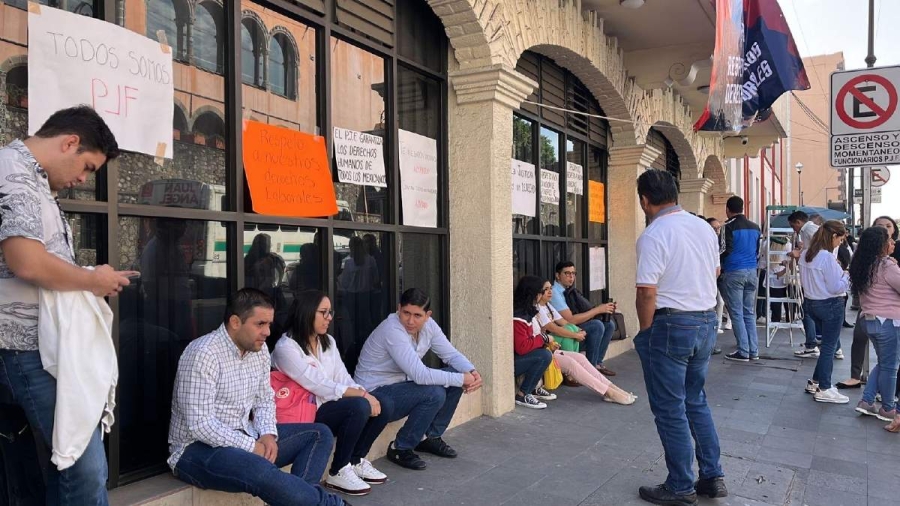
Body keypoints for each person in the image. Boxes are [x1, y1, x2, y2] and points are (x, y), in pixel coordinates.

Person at [0, 106, 134, 505]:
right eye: (88, 167)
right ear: (70, 143)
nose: (82, 180)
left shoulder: (36, 182)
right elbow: (27, 261)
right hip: (23, 348)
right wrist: (92, 281)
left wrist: (87, 275)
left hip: (42, 347)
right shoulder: (14, 173)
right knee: (84, 466)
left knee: (71, 462)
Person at [168, 288, 347, 506]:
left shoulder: (259, 350)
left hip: (248, 436)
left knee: (319, 434)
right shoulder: (203, 353)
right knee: (260, 469)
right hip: (195, 450)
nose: (268, 332)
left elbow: (264, 399)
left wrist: (268, 434)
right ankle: (328, 504)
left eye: (269, 324)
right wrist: (251, 446)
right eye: (260, 324)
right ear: (235, 322)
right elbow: (200, 425)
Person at [633, 170, 726, 505]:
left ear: (645, 200)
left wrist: (645, 334)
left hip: (671, 324)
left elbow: (646, 292)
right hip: (704, 320)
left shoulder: (654, 234)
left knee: (670, 407)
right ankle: (712, 476)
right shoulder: (703, 226)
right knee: (695, 399)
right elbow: (715, 271)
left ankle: (680, 485)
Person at [271, 290, 389, 496]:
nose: (330, 318)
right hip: (306, 411)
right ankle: (338, 471)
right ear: (307, 313)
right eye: (323, 312)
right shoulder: (286, 348)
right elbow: (316, 383)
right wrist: (360, 396)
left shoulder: (328, 341)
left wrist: (364, 393)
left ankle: (356, 460)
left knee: (383, 403)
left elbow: (342, 376)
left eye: (330, 312)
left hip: (329, 404)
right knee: (359, 405)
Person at [353, 288, 482, 471]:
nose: (410, 321)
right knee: (436, 391)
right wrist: (462, 378)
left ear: (427, 315)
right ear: (399, 309)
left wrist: (471, 372)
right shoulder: (392, 330)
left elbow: (451, 355)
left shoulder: (429, 326)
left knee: (453, 377)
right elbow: (419, 375)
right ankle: (401, 448)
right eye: (406, 313)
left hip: (401, 388)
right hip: (376, 394)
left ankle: (430, 437)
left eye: (417, 315)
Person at [530, 277, 636, 405]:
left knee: (580, 357)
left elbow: (564, 322)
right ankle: (608, 392)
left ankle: (612, 387)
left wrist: (577, 331)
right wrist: (574, 334)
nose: (549, 292)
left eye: (550, 289)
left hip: (547, 348)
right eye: (545, 290)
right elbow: (553, 329)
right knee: (571, 360)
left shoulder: (548, 306)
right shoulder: (534, 309)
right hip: (543, 350)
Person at [839, 216, 900, 389]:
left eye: (888, 226)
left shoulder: (879, 258)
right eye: (881, 226)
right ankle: (885, 403)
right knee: (887, 362)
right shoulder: (882, 262)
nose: (886, 229)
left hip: (878, 311)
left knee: (886, 362)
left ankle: (871, 397)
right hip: (883, 313)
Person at [848, 227, 900, 428]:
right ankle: (887, 408)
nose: (893, 243)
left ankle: (867, 400)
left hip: (869, 320)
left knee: (886, 362)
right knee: (890, 366)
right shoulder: (887, 266)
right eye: (890, 240)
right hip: (889, 321)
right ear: (880, 245)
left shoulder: (862, 264)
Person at [799, 221, 851, 404]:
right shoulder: (826, 257)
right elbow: (836, 287)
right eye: (841, 239)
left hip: (811, 303)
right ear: (834, 236)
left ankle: (815, 381)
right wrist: (847, 276)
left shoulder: (806, 254)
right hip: (830, 304)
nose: (840, 243)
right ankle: (825, 387)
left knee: (826, 347)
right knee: (829, 347)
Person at [550, 261, 617, 376]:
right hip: (563, 333)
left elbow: (585, 309)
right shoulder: (555, 293)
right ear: (557, 275)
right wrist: (598, 310)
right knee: (596, 325)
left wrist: (603, 309)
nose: (571, 277)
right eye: (567, 273)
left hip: (575, 327)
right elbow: (569, 320)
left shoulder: (570, 290)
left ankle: (597, 363)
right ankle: (590, 370)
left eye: (573, 273)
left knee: (609, 324)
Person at [719, 196, 762, 362]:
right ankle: (754, 350)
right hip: (752, 271)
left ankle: (743, 350)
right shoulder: (755, 227)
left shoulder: (727, 227)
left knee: (736, 312)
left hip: (734, 270)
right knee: (749, 313)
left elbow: (725, 249)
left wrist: (719, 264)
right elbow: (757, 250)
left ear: (728, 209)